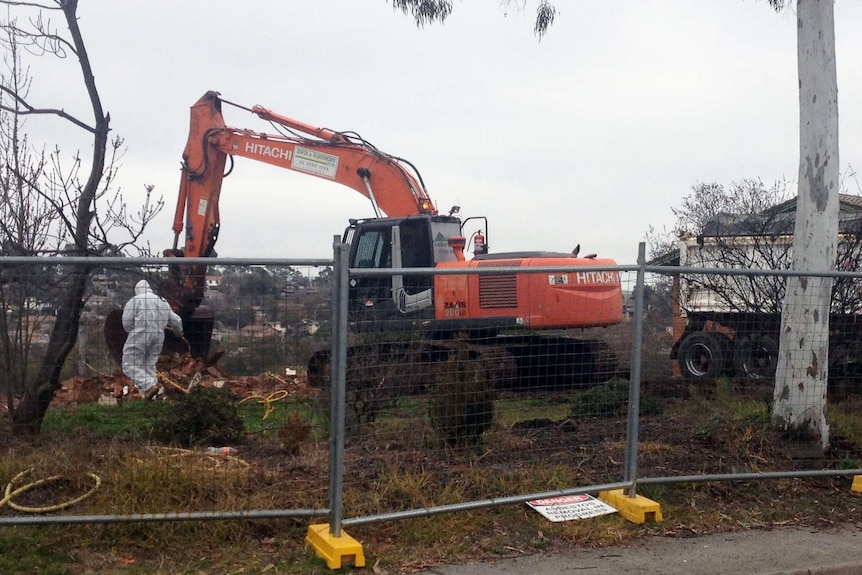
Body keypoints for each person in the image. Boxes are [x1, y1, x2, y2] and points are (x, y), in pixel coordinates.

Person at [121, 279, 184, 399]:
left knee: (128, 365)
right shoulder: (162, 301)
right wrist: (179, 333)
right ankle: (156, 396)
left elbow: (126, 323)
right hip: (159, 336)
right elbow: (176, 320)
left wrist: (133, 331)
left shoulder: (135, 300)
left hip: (140, 333)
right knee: (149, 366)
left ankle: (149, 386)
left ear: (137, 290)